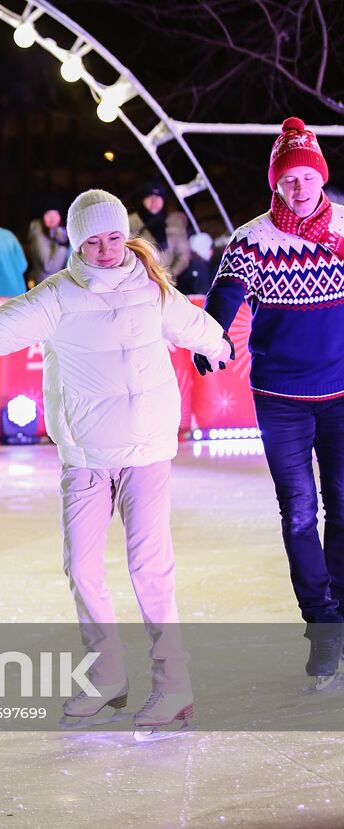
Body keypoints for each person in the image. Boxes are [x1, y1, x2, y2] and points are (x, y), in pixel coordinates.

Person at [0, 189, 232, 740]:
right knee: (82, 568)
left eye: (112, 238)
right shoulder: (56, 296)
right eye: (92, 241)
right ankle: (105, 673)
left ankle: (173, 682)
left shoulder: (151, 289)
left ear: (123, 237)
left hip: (146, 449)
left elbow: (194, 326)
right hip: (84, 455)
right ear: (76, 243)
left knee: (150, 568)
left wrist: (217, 346)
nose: (104, 250)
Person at [199, 118, 344, 690]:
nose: (301, 186)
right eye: (290, 179)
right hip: (282, 399)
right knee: (300, 512)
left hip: (342, 397)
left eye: (308, 175)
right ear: (277, 184)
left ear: (321, 178)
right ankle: (323, 625)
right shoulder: (251, 240)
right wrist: (213, 342)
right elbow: (223, 301)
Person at [128, 183, 191, 283]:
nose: (154, 202)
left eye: (158, 197)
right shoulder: (130, 222)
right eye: (150, 197)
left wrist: (170, 274)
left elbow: (183, 255)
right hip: (138, 281)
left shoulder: (174, 223)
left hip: (166, 282)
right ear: (143, 199)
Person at [25, 202, 69, 287]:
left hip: (56, 286)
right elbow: (49, 267)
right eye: (48, 214)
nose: (52, 218)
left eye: (55, 214)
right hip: (45, 287)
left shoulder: (57, 233)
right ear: (42, 217)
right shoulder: (38, 236)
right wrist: (61, 244)